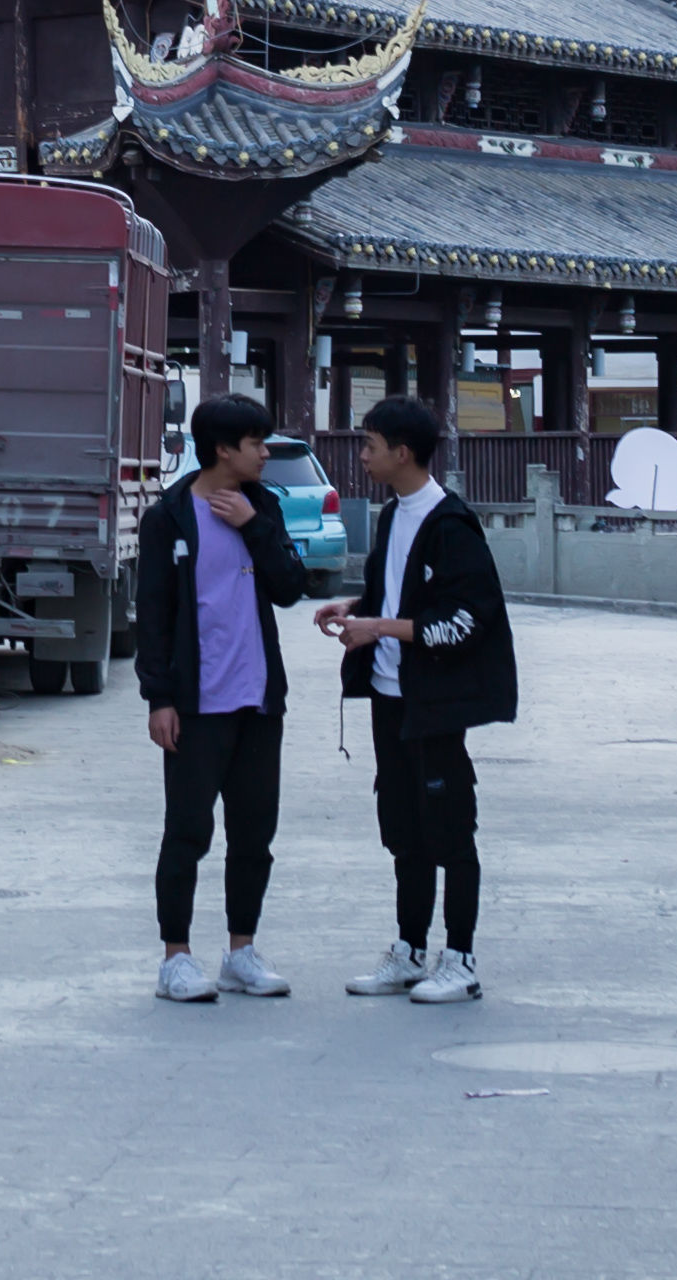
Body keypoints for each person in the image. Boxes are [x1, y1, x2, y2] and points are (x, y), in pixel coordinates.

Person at [314, 393, 514, 1008]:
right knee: (403, 828)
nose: (362, 457)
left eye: (370, 446)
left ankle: (460, 958)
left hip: (435, 705)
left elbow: (464, 621)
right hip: (389, 696)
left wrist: (379, 628)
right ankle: (408, 950)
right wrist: (357, 609)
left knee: (450, 829)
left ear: (403, 453)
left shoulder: (451, 525)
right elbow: (393, 595)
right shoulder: (391, 515)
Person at [134, 391, 298, 1003]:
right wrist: (159, 697)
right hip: (196, 704)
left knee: (254, 832)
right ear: (223, 449)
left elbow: (288, 588)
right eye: (256, 443)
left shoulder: (263, 506)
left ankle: (241, 952)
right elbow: (153, 614)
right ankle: (176, 958)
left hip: (258, 701)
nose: (265, 452)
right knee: (187, 831)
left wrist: (254, 528)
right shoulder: (170, 516)